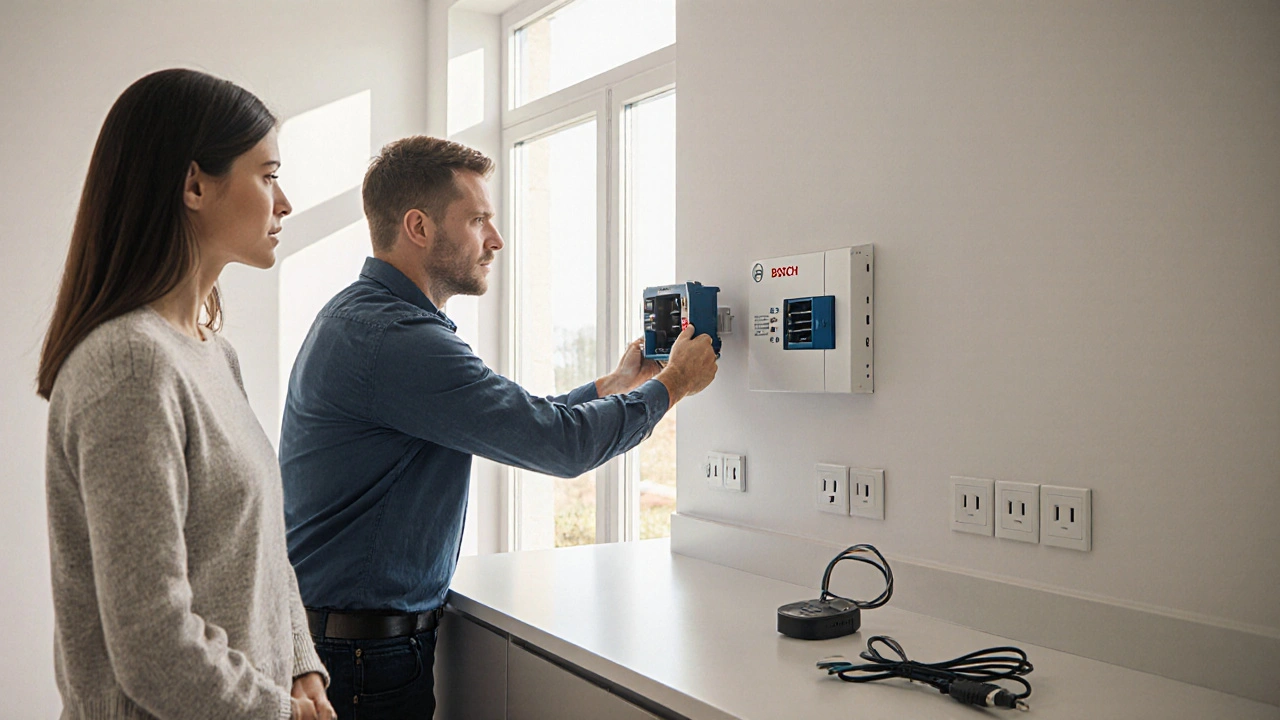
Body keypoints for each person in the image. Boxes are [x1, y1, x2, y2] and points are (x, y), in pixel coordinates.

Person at [279, 135, 718, 718]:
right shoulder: (399, 340)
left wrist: (614, 387)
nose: (496, 239)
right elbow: (559, 445)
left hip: (350, 643)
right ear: (419, 227)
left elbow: (518, 415)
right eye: (478, 219)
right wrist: (673, 387)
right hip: (361, 656)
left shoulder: (363, 318)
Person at [38, 69, 336, 720]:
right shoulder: (129, 366)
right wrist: (279, 711)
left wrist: (299, 663)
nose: (283, 203)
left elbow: (259, 547)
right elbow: (153, 645)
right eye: (267, 174)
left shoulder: (210, 354)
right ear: (194, 184)